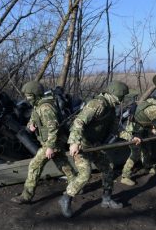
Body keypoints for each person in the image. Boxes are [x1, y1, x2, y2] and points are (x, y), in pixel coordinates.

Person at [58, 80, 129, 218]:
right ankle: (66, 198)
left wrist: (131, 137)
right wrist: (74, 142)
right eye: (122, 97)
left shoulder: (110, 109)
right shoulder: (97, 104)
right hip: (82, 144)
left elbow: (116, 129)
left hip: (95, 144)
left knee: (108, 168)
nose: (122, 100)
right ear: (115, 95)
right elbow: (79, 122)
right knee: (85, 174)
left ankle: (106, 199)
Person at [11, 81, 76, 204]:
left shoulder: (45, 107)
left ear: (35, 94)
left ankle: (26, 196)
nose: (26, 97)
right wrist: (31, 125)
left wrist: (50, 147)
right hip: (51, 142)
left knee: (34, 166)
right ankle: (76, 186)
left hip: (52, 142)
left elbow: (53, 128)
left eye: (28, 95)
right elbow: (33, 119)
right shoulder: (38, 105)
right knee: (63, 165)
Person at [119, 90, 156, 186]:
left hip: (141, 128)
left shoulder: (147, 102)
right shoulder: (154, 109)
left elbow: (145, 119)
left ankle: (147, 166)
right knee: (135, 153)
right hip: (133, 131)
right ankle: (125, 176)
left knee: (147, 148)